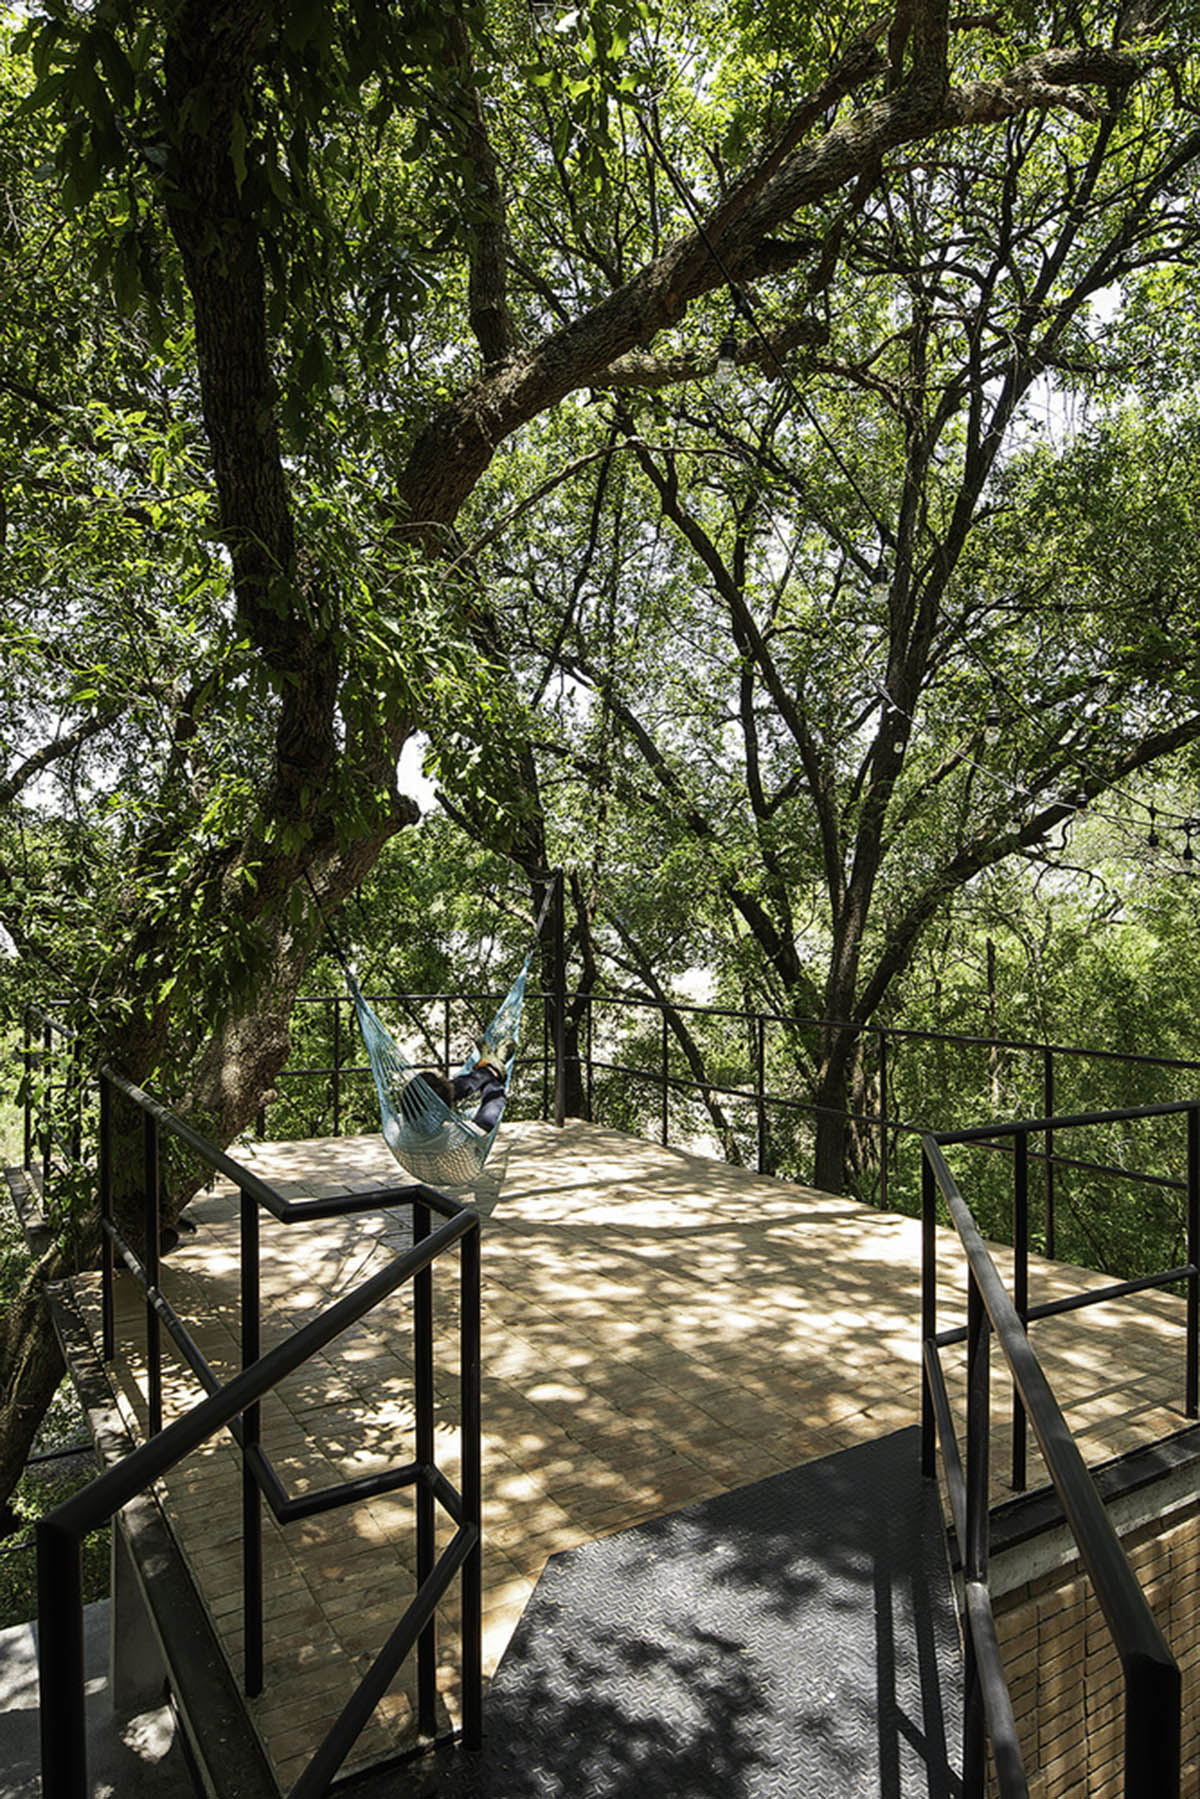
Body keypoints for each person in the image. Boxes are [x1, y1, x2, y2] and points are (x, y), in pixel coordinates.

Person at [400, 1037, 516, 1133]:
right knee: (494, 1092)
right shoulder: (449, 1136)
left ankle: (489, 1068)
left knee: (441, 1091)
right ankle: (492, 1068)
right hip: (473, 1132)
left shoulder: (399, 1130)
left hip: (422, 1112)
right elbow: (481, 1129)